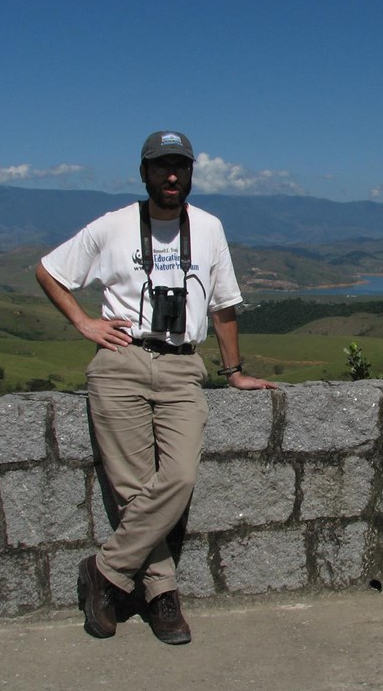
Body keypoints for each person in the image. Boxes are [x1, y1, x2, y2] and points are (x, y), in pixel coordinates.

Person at [36, 130, 276, 644]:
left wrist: (233, 372)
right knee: (133, 487)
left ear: (191, 172)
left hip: (183, 365)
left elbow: (223, 305)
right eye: (162, 167)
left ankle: (104, 572)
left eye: (180, 167)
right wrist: (84, 323)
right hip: (122, 360)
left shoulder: (209, 228)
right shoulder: (113, 226)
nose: (172, 176)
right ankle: (162, 594)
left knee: (179, 477)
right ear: (143, 172)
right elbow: (50, 270)